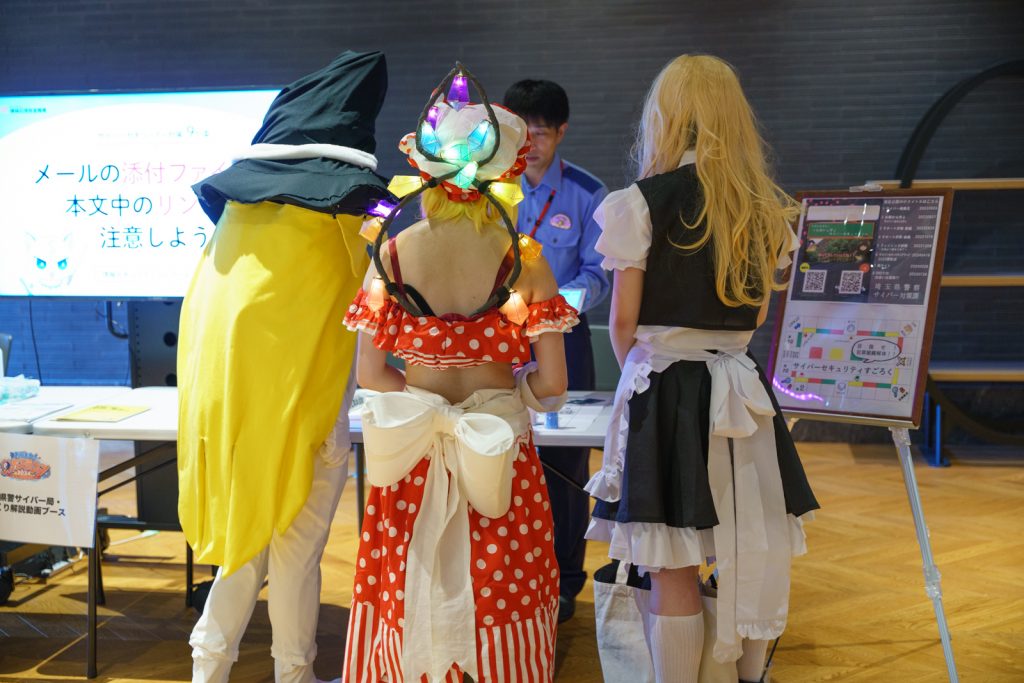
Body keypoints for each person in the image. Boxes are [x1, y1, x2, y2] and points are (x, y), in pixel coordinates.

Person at [584, 55, 820, 683]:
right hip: (742, 390)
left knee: (671, 563)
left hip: (665, 389)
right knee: (746, 548)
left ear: (664, 118)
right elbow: (755, 316)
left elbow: (623, 323)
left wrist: (642, 375)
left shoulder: (639, 204)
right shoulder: (766, 210)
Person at [341, 64, 578, 683]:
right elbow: (553, 385)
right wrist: (509, 394)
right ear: (502, 173)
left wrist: (428, 403)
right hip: (497, 451)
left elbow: (371, 374)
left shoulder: (391, 253)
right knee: (503, 587)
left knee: (407, 582)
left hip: (410, 457)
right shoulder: (524, 260)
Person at [177, 50, 393, 683]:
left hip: (234, 415)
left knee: (243, 547)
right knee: (297, 555)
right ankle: (293, 674)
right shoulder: (351, 220)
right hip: (313, 413)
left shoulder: (235, 221)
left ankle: (209, 668)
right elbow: (382, 293)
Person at [502, 79, 609, 623]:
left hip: (562, 342)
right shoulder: (491, 188)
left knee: (566, 466)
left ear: (561, 132)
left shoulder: (589, 194)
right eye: (520, 133)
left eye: (540, 134)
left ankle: (565, 582)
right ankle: (512, 575)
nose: (529, 145)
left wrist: (545, 306)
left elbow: (598, 274)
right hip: (498, 343)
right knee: (500, 451)